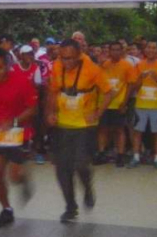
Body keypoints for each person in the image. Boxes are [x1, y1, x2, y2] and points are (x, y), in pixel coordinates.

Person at [47, 39, 112, 223]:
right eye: (63, 58)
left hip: (84, 125)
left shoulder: (92, 69)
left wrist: (98, 112)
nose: (66, 62)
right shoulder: (57, 66)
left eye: (70, 58)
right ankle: (70, 207)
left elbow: (108, 92)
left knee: (81, 165)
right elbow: (53, 91)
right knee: (62, 169)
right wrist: (51, 112)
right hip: (62, 125)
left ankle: (87, 187)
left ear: (79, 55)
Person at [0, 48, 38, 228]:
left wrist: (13, 121)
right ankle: (6, 210)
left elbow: (33, 109)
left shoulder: (22, 82)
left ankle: (24, 180)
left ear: (8, 66)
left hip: (19, 132)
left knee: (15, 177)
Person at [128, 41, 157, 169]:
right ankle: (136, 157)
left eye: (154, 48)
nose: (151, 50)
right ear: (145, 50)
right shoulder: (139, 65)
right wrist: (140, 78)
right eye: (149, 48)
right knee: (137, 132)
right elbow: (134, 86)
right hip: (141, 104)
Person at [97, 41, 137, 167]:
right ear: (109, 51)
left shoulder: (127, 65)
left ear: (122, 51)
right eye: (112, 49)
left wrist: (125, 102)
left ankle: (120, 155)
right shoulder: (104, 64)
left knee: (119, 130)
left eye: (117, 50)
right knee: (103, 129)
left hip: (119, 102)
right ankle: (102, 153)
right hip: (104, 103)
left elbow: (131, 84)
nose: (115, 52)